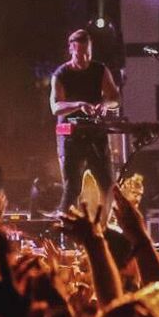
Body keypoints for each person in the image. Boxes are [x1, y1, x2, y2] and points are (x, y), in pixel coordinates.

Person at [50, 28, 120, 214]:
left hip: (95, 133)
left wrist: (105, 104)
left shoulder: (100, 70)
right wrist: (79, 104)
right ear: (72, 49)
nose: (85, 59)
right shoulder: (61, 74)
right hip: (70, 134)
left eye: (88, 54)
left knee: (108, 186)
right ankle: (65, 228)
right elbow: (55, 107)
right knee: (73, 187)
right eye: (80, 55)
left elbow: (115, 97)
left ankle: (103, 228)